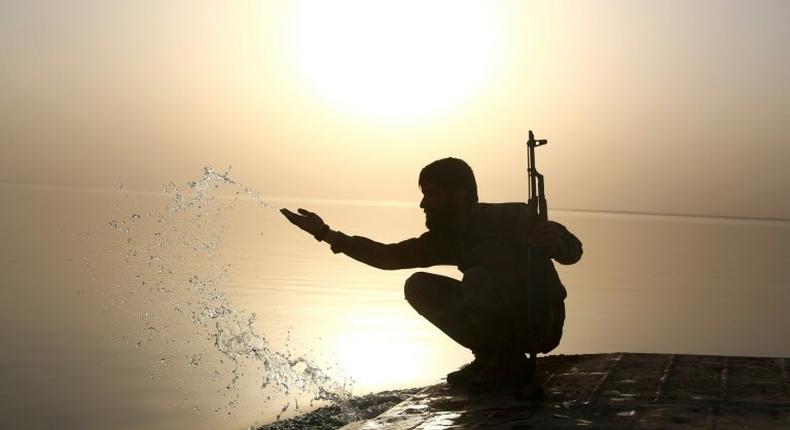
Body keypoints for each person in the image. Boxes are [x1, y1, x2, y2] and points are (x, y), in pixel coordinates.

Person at [280, 157, 582, 390]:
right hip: (504, 324)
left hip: (541, 322)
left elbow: (573, 250)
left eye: (431, 194)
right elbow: (388, 256)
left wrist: (555, 242)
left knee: (476, 278)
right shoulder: (448, 238)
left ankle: (506, 362)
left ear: (459, 195)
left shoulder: (512, 217)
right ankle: (491, 356)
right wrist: (324, 233)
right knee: (419, 286)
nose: (423, 203)